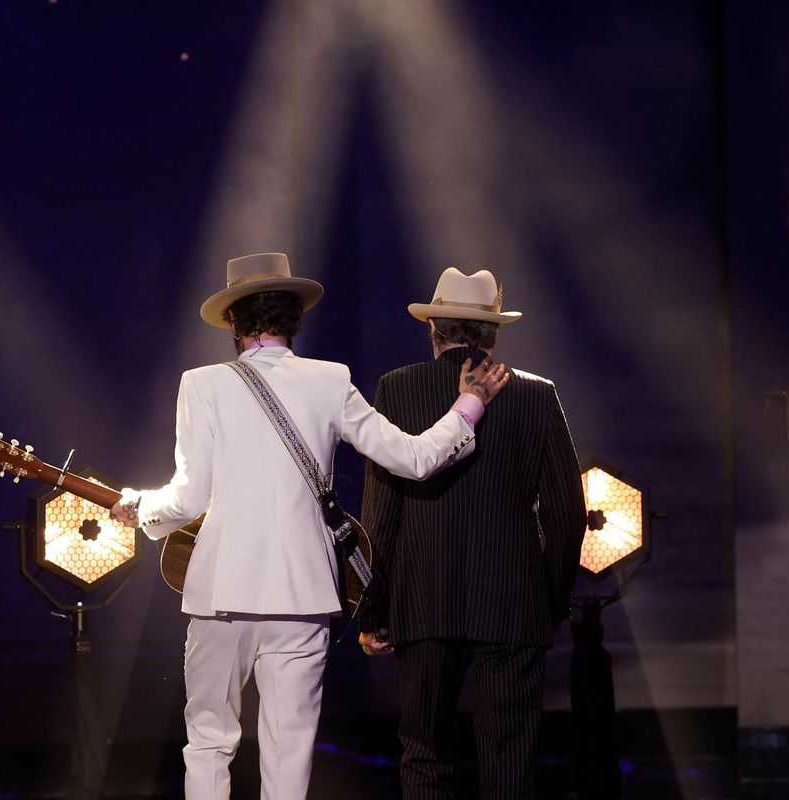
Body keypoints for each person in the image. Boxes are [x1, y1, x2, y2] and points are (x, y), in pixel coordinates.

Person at [109, 253, 509, 800]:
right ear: (294, 318)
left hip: (221, 593)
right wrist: (469, 404)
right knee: (289, 748)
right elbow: (414, 459)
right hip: (302, 596)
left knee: (208, 742)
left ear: (234, 322)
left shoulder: (201, 384)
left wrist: (141, 508)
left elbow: (187, 498)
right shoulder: (330, 380)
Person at [358, 267, 586, 799]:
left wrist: (373, 607)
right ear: (494, 333)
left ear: (434, 329)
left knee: (425, 757)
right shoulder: (535, 396)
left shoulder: (398, 388)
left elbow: (380, 510)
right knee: (510, 764)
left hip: (421, 603)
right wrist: (550, 601)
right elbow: (566, 511)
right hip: (512, 607)